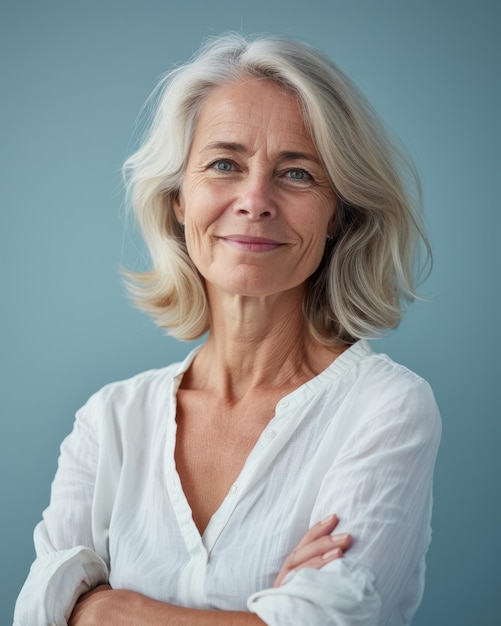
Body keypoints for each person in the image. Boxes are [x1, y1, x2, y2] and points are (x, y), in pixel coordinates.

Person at [13, 33, 441, 625]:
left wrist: (108, 611)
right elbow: (36, 612)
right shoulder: (110, 420)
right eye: (224, 164)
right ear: (178, 200)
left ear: (339, 213)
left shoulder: (386, 408)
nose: (255, 199)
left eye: (296, 174)